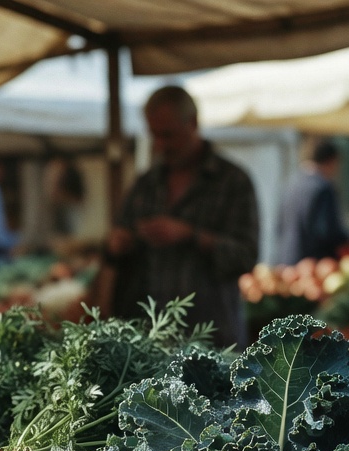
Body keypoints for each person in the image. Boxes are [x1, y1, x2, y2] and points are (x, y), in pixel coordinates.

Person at [99, 85, 259, 346]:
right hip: (149, 342)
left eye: (168, 135)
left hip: (213, 341)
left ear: (193, 123)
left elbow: (246, 257)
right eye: (154, 136)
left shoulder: (233, 182)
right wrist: (117, 243)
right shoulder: (145, 185)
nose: (160, 145)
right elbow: (114, 249)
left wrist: (190, 235)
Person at [275, 139, 349, 265]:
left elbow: (279, 226)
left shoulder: (291, 184)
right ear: (331, 161)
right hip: (312, 266)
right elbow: (326, 231)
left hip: (286, 260)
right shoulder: (322, 188)